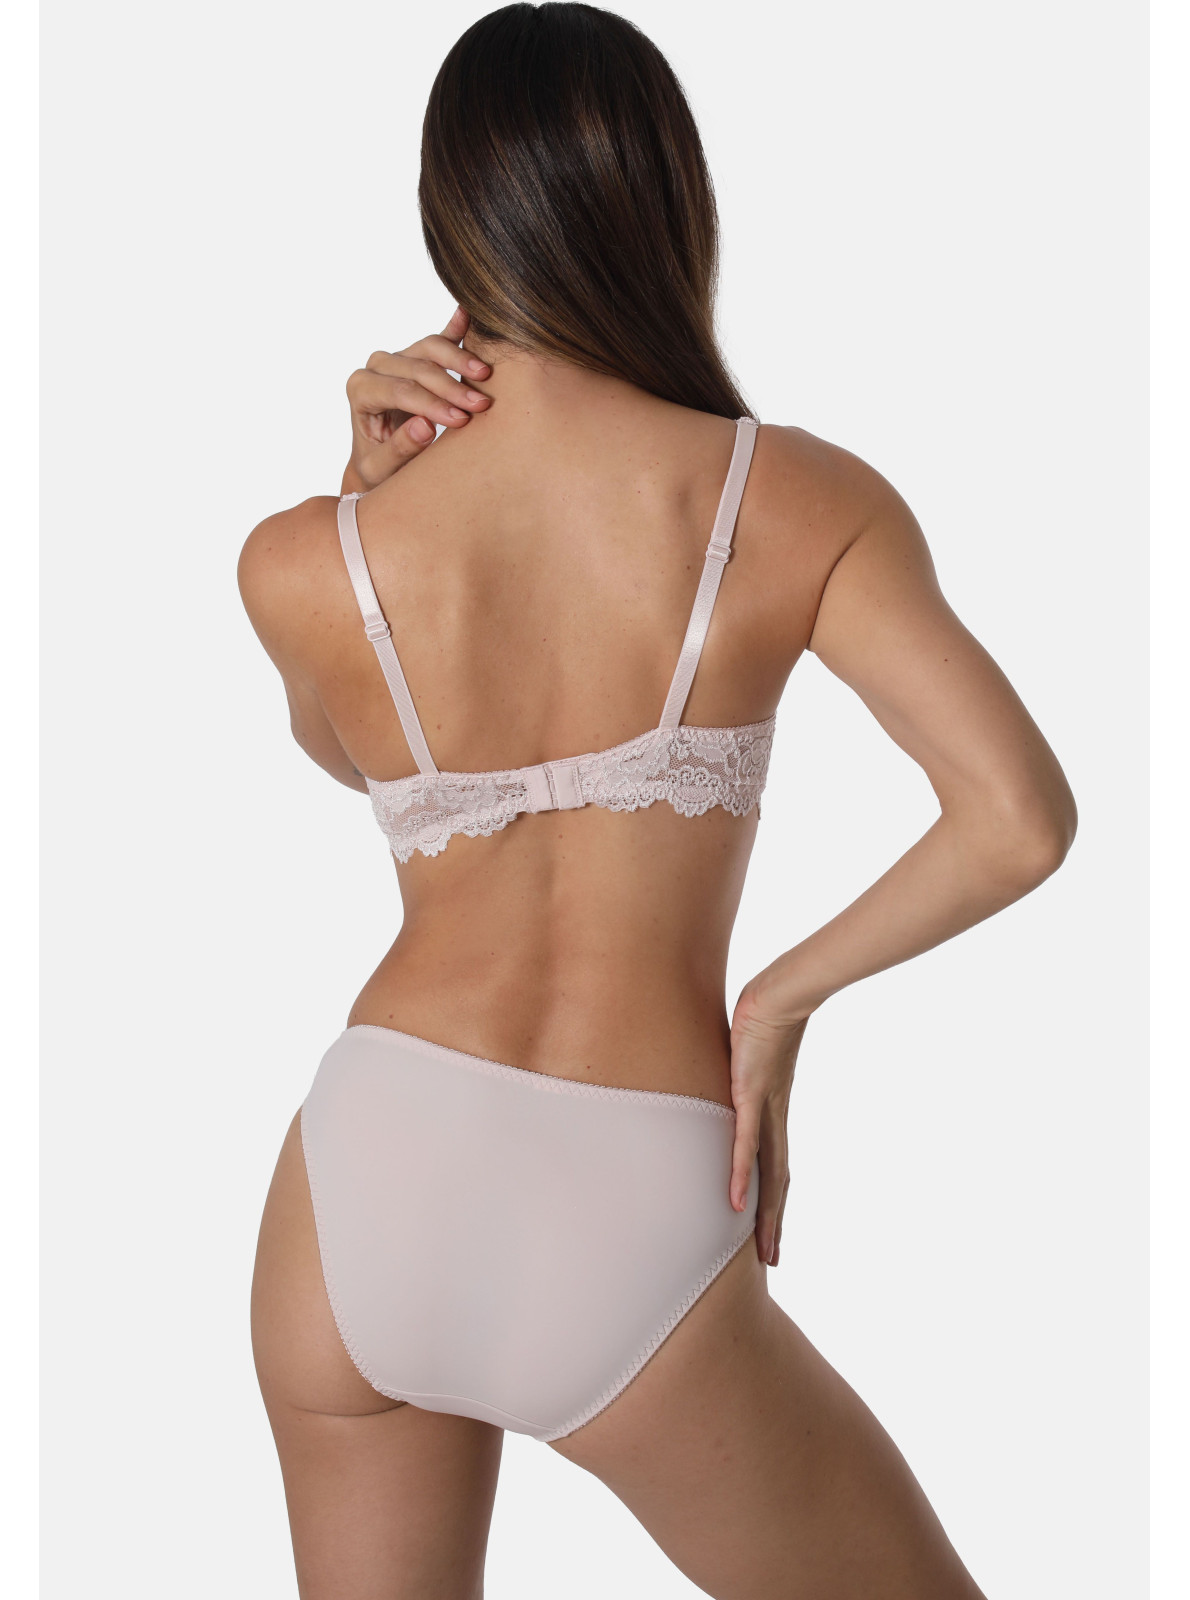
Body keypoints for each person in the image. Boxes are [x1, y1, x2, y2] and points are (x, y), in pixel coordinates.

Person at [238, 5, 1076, 1596]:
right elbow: (1014, 818)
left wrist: (362, 507)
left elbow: (350, 755)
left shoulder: (302, 554)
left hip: (366, 1169)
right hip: (619, 1184)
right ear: (669, 201)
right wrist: (773, 1003)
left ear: (447, 213)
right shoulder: (790, 497)